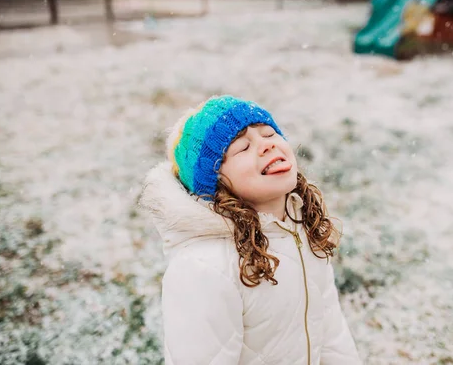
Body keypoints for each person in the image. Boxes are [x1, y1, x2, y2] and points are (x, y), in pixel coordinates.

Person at [140, 95, 361, 365]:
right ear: (214, 183)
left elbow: (330, 332)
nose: (266, 145)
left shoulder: (301, 226)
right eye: (243, 148)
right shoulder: (204, 267)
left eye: (269, 134)